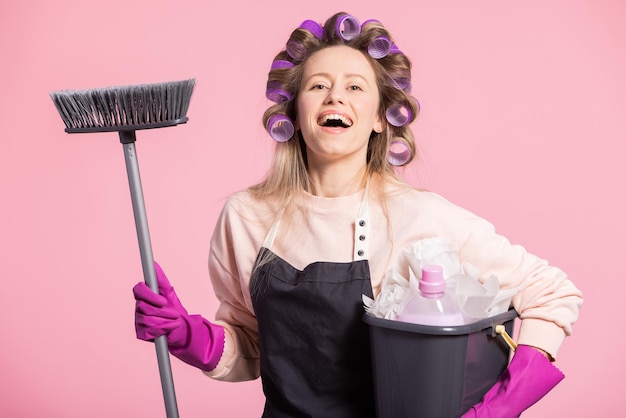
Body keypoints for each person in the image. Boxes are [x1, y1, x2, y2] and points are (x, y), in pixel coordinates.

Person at [133, 12, 583, 417]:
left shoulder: (421, 217)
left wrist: (501, 405)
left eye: (354, 86)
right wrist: (190, 337)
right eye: (317, 85)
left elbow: (553, 293)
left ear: (380, 118)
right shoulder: (246, 216)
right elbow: (251, 345)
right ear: (294, 111)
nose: (335, 97)